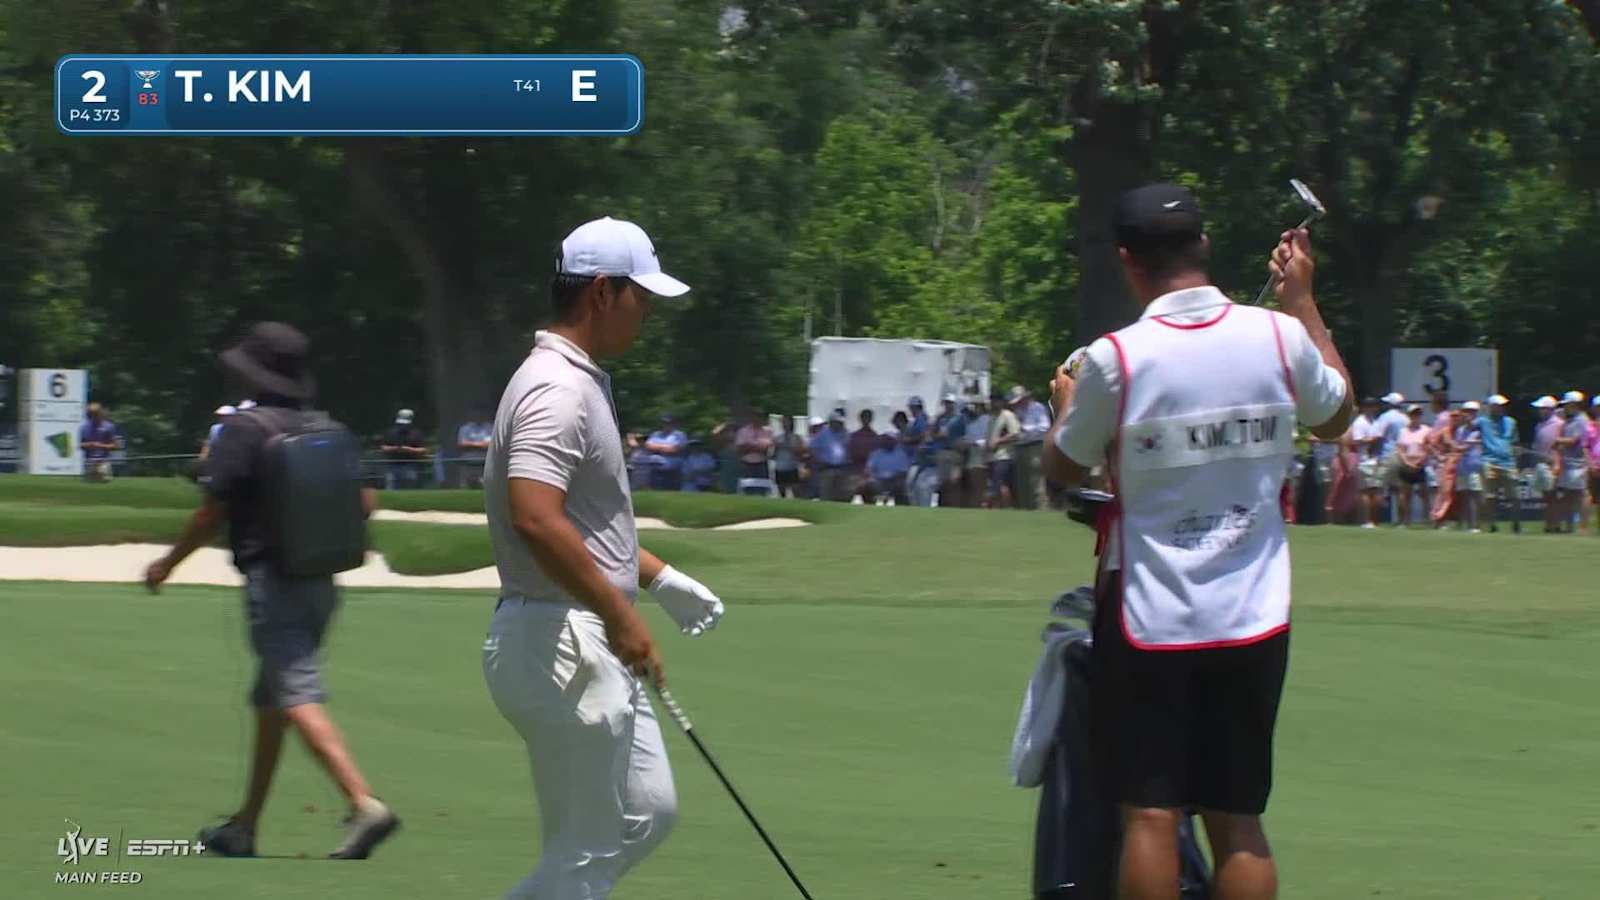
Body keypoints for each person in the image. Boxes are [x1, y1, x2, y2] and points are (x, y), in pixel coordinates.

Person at [1044, 185, 1352, 900]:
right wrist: (1301, 302)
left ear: (1127, 262)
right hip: (1254, 611)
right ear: (1204, 246)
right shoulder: (1276, 336)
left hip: (1149, 613)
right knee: (1237, 816)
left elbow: (1063, 468)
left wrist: (1066, 409)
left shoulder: (1118, 358)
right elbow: (1337, 416)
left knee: (1151, 814)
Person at [480, 216, 726, 900]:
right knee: (585, 853)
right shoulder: (555, 389)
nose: (645, 312)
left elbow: (585, 525)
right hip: (562, 640)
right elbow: (534, 516)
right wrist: (620, 612)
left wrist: (658, 576)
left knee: (647, 813)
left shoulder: (581, 381)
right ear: (600, 293)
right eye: (639, 296)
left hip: (579, 634)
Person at [143, 321, 399, 860]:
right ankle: (245, 826)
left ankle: (363, 803)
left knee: (296, 694)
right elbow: (365, 503)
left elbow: (212, 510)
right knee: (272, 700)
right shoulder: (321, 426)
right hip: (322, 583)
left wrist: (168, 563)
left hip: (274, 582)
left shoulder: (244, 430)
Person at [1475, 395, 1519, 532]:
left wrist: (1515, 451)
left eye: (1502, 406)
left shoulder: (1511, 422)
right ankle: (1492, 524)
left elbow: (1514, 441)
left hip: (1508, 462)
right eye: (1497, 405)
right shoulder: (1482, 421)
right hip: (1489, 461)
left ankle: (1516, 524)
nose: (1501, 408)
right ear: (1491, 407)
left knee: (1514, 496)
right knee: (1490, 496)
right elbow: (1468, 427)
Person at [1553, 390, 1591, 533]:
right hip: (1568, 463)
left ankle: (1583, 527)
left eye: (1567, 405)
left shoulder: (1582, 420)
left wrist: (1557, 440)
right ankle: (1569, 527)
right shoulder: (1570, 420)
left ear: (1574, 404)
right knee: (1568, 496)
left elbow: (1575, 440)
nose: (1564, 408)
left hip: (1578, 463)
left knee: (1581, 495)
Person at [1011, 386, 1052, 510]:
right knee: (1021, 482)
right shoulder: (1016, 411)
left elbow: (1045, 427)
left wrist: (1026, 429)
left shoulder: (1037, 408)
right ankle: (1025, 510)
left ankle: (1040, 509)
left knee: (1036, 481)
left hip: (1034, 447)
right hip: (1019, 447)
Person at [1349, 397, 1385, 528]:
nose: (1373, 408)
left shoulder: (1365, 422)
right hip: (1370, 459)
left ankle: (1370, 521)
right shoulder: (1365, 422)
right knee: (1374, 491)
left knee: (1367, 492)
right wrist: (1373, 440)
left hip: (1368, 460)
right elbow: (1360, 440)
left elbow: (1357, 441)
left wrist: (1371, 440)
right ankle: (1373, 521)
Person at [1393, 405, 1432, 526]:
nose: (1416, 417)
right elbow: (1400, 449)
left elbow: (1428, 448)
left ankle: (1427, 519)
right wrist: (1407, 462)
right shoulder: (1403, 431)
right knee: (1405, 494)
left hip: (1421, 465)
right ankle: (1405, 520)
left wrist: (1420, 461)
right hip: (1406, 464)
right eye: (1413, 414)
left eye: (1418, 414)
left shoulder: (1426, 430)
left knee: (1424, 493)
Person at [1530, 395, 1562, 532]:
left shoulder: (1559, 424)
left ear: (1550, 409)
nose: (1539, 411)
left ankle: (1555, 524)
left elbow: (1559, 446)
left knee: (1554, 497)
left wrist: (1557, 463)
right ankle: (1549, 524)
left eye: (1542, 408)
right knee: (1547, 497)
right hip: (1541, 463)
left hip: (1553, 464)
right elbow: (1537, 446)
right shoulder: (1539, 425)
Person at [1452, 401, 1485, 532]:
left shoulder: (1480, 428)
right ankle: (1467, 524)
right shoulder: (1460, 430)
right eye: (1465, 411)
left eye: (1471, 412)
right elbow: (1456, 445)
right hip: (1462, 466)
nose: (1467, 414)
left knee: (1475, 495)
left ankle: (1476, 525)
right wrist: (1460, 447)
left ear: (1475, 413)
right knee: (1464, 495)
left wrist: (1462, 446)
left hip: (1475, 466)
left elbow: (1465, 446)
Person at [987, 393, 1021, 509]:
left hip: (1005, 456)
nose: (993, 403)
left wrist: (998, 441)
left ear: (1002, 402)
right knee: (995, 485)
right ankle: (1000, 508)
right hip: (992, 457)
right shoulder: (992, 418)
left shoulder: (1007, 415)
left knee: (1001, 484)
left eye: (996, 401)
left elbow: (1015, 434)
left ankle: (1007, 508)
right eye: (992, 401)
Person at [809, 409, 851, 501]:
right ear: (832, 422)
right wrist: (819, 461)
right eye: (837, 422)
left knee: (841, 496)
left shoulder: (846, 434)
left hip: (842, 468)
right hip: (827, 468)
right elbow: (813, 449)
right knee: (826, 495)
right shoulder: (823, 434)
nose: (840, 424)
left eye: (841, 422)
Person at [381, 409, 429, 490]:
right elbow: (383, 448)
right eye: (401, 423)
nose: (402, 425)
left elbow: (423, 450)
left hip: (410, 465)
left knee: (410, 489)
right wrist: (394, 448)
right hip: (393, 465)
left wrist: (409, 449)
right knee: (392, 488)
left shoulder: (416, 433)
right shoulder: (391, 432)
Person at [932, 395, 966, 506]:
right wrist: (937, 431)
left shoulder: (959, 418)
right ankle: (945, 505)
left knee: (954, 480)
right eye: (946, 403)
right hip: (943, 451)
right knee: (943, 482)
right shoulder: (940, 418)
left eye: (950, 403)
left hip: (955, 451)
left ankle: (955, 505)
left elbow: (964, 434)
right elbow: (933, 434)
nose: (948, 405)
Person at [734, 407, 774, 493]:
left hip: (761, 464)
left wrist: (749, 446)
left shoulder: (768, 431)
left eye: (760, 416)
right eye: (755, 416)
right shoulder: (743, 431)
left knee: (762, 488)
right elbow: (740, 448)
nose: (757, 418)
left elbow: (766, 448)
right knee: (747, 488)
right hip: (747, 463)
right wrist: (757, 447)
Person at [866, 431, 912, 506]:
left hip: (894, 480)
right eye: (885, 439)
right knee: (869, 484)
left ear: (894, 441)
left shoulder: (901, 453)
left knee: (900, 486)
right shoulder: (876, 453)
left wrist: (891, 478)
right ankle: (869, 508)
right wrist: (873, 477)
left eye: (889, 439)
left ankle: (902, 509)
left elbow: (903, 472)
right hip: (879, 480)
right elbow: (869, 469)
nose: (886, 441)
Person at [645, 414, 688, 491]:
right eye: (664, 423)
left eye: (668, 423)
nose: (666, 425)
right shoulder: (656, 434)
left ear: (673, 424)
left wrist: (657, 448)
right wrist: (666, 447)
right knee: (656, 491)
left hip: (673, 470)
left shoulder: (679, 435)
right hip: (656, 468)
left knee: (672, 492)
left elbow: (675, 449)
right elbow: (648, 446)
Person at [79, 402, 119, 482]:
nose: (93, 416)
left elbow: (115, 445)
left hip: (104, 463)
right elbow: (81, 445)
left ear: (100, 413)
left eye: (96, 414)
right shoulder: (84, 427)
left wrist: (101, 446)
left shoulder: (109, 427)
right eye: (91, 414)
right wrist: (90, 444)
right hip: (89, 463)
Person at [962, 399, 992, 508]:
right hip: (972, 454)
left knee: (981, 484)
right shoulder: (971, 423)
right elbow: (968, 438)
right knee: (974, 484)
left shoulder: (988, 420)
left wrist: (977, 443)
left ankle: (982, 505)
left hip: (984, 454)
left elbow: (989, 437)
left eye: (977, 406)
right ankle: (977, 506)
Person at [847, 408, 880, 501]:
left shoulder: (875, 436)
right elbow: (851, 453)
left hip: (870, 473)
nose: (866, 420)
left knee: (870, 500)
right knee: (848, 498)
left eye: (868, 418)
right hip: (855, 471)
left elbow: (877, 454)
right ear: (860, 419)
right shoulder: (854, 436)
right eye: (864, 418)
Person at [456, 410, 494, 488]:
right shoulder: (465, 428)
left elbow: (491, 444)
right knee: (465, 486)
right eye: (476, 413)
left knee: (486, 485)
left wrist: (471, 444)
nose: (478, 415)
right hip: (468, 462)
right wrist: (480, 444)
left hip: (484, 462)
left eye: (480, 413)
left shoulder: (490, 427)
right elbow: (462, 443)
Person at [771, 414, 806, 498]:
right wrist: (776, 447)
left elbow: (801, 454)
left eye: (787, 422)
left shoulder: (797, 438)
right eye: (784, 423)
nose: (785, 425)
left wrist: (791, 447)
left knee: (796, 492)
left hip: (792, 468)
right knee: (782, 493)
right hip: (780, 468)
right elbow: (773, 455)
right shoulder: (777, 438)